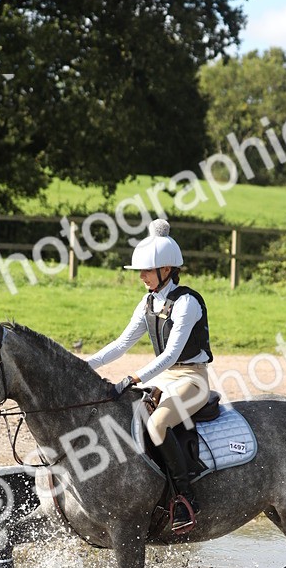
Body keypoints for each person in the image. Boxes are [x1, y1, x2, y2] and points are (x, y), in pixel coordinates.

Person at [87, 219, 213, 531]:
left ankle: (186, 497)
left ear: (166, 270)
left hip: (191, 380)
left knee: (157, 423)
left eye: (146, 271)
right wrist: (83, 366)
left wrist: (134, 378)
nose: (141, 276)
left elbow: (171, 354)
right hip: (163, 377)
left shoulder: (187, 302)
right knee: (125, 416)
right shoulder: (147, 302)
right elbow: (121, 344)